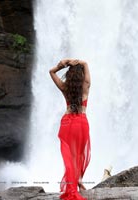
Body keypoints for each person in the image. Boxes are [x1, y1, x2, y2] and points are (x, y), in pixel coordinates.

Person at [49, 58, 91, 200]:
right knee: (79, 154)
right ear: (81, 75)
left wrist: (63, 64)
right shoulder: (85, 86)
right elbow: (85, 63)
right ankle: (76, 183)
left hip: (67, 123)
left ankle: (74, 184)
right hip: (80, 122)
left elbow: (51, 71)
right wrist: (78, 62)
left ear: (69, 75)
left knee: (70, 157)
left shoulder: (65, 88)